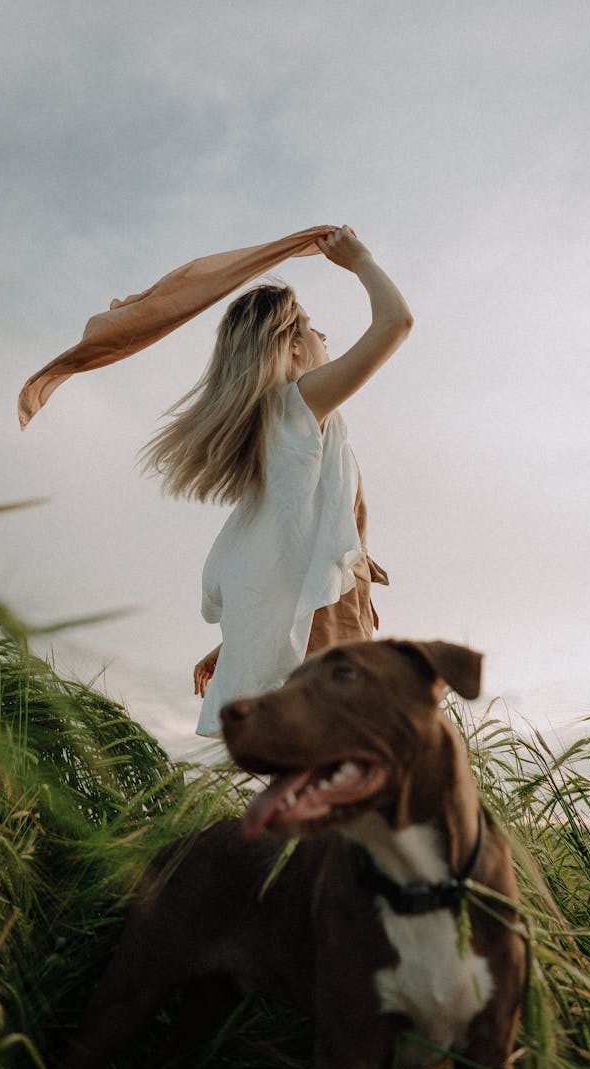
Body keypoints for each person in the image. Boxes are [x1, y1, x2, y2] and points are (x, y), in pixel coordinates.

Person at [142, 226, 412, 737]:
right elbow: (397, 322)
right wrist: (361, 260)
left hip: (330, 614)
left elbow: (277, 552)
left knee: (334, 757)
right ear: (289, 347)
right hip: (329, 619)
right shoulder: (298, 406)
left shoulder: (286, 430)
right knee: (350, 757)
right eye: (311, 328)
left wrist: (238, 640)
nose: (324, 337)